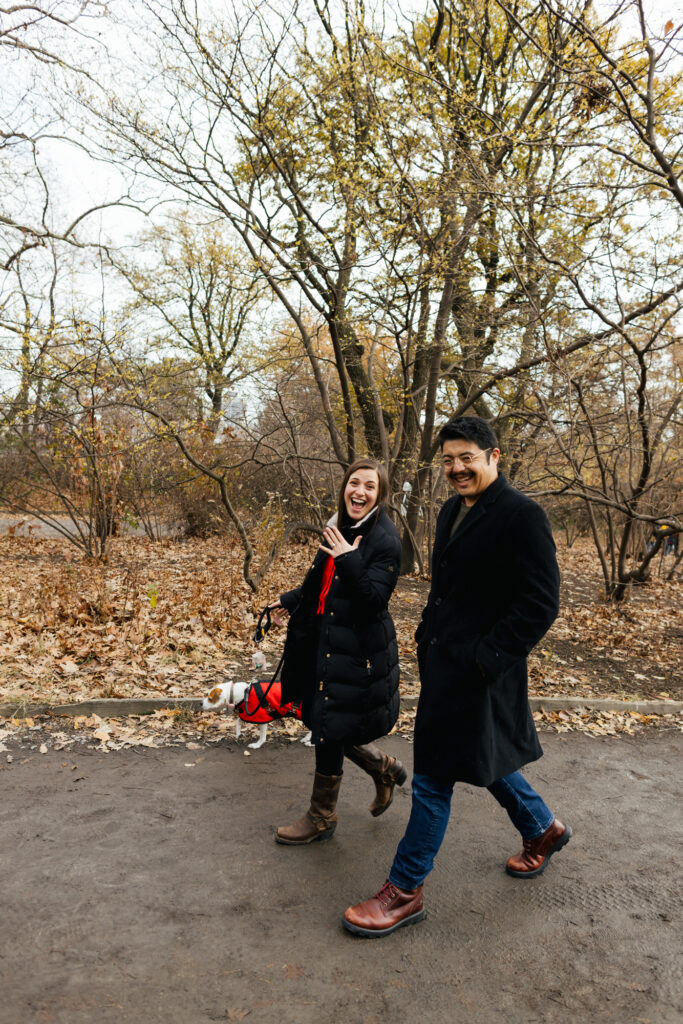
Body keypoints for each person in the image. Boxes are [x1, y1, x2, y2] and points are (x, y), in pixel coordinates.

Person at [343, 416, 571, 937]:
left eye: (467, 457)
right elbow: (447, 587)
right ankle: (543, 828)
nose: (456, 468)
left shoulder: (522, 516)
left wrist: (487, 658)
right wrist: (427, 635)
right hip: (446, 665)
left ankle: (404, 891)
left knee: (432, 778)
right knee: (479, 756)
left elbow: (541, 603)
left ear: (494, 456)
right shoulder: (450, 510)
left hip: (483, 671)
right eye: (448, 460)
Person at [269, 458, 406, 845]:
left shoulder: (386, 540)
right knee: (325, 720)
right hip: (325, 643)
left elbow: (373, 600)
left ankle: (322, 816)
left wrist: (349, 557)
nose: (358, 492)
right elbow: (320, 583)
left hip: (357, 653)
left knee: (329, 727)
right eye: (354, 483)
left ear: (380, 495)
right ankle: (382, 768)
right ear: (345, 486)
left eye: (369, 487)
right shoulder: (338, 525)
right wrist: (290, 601)